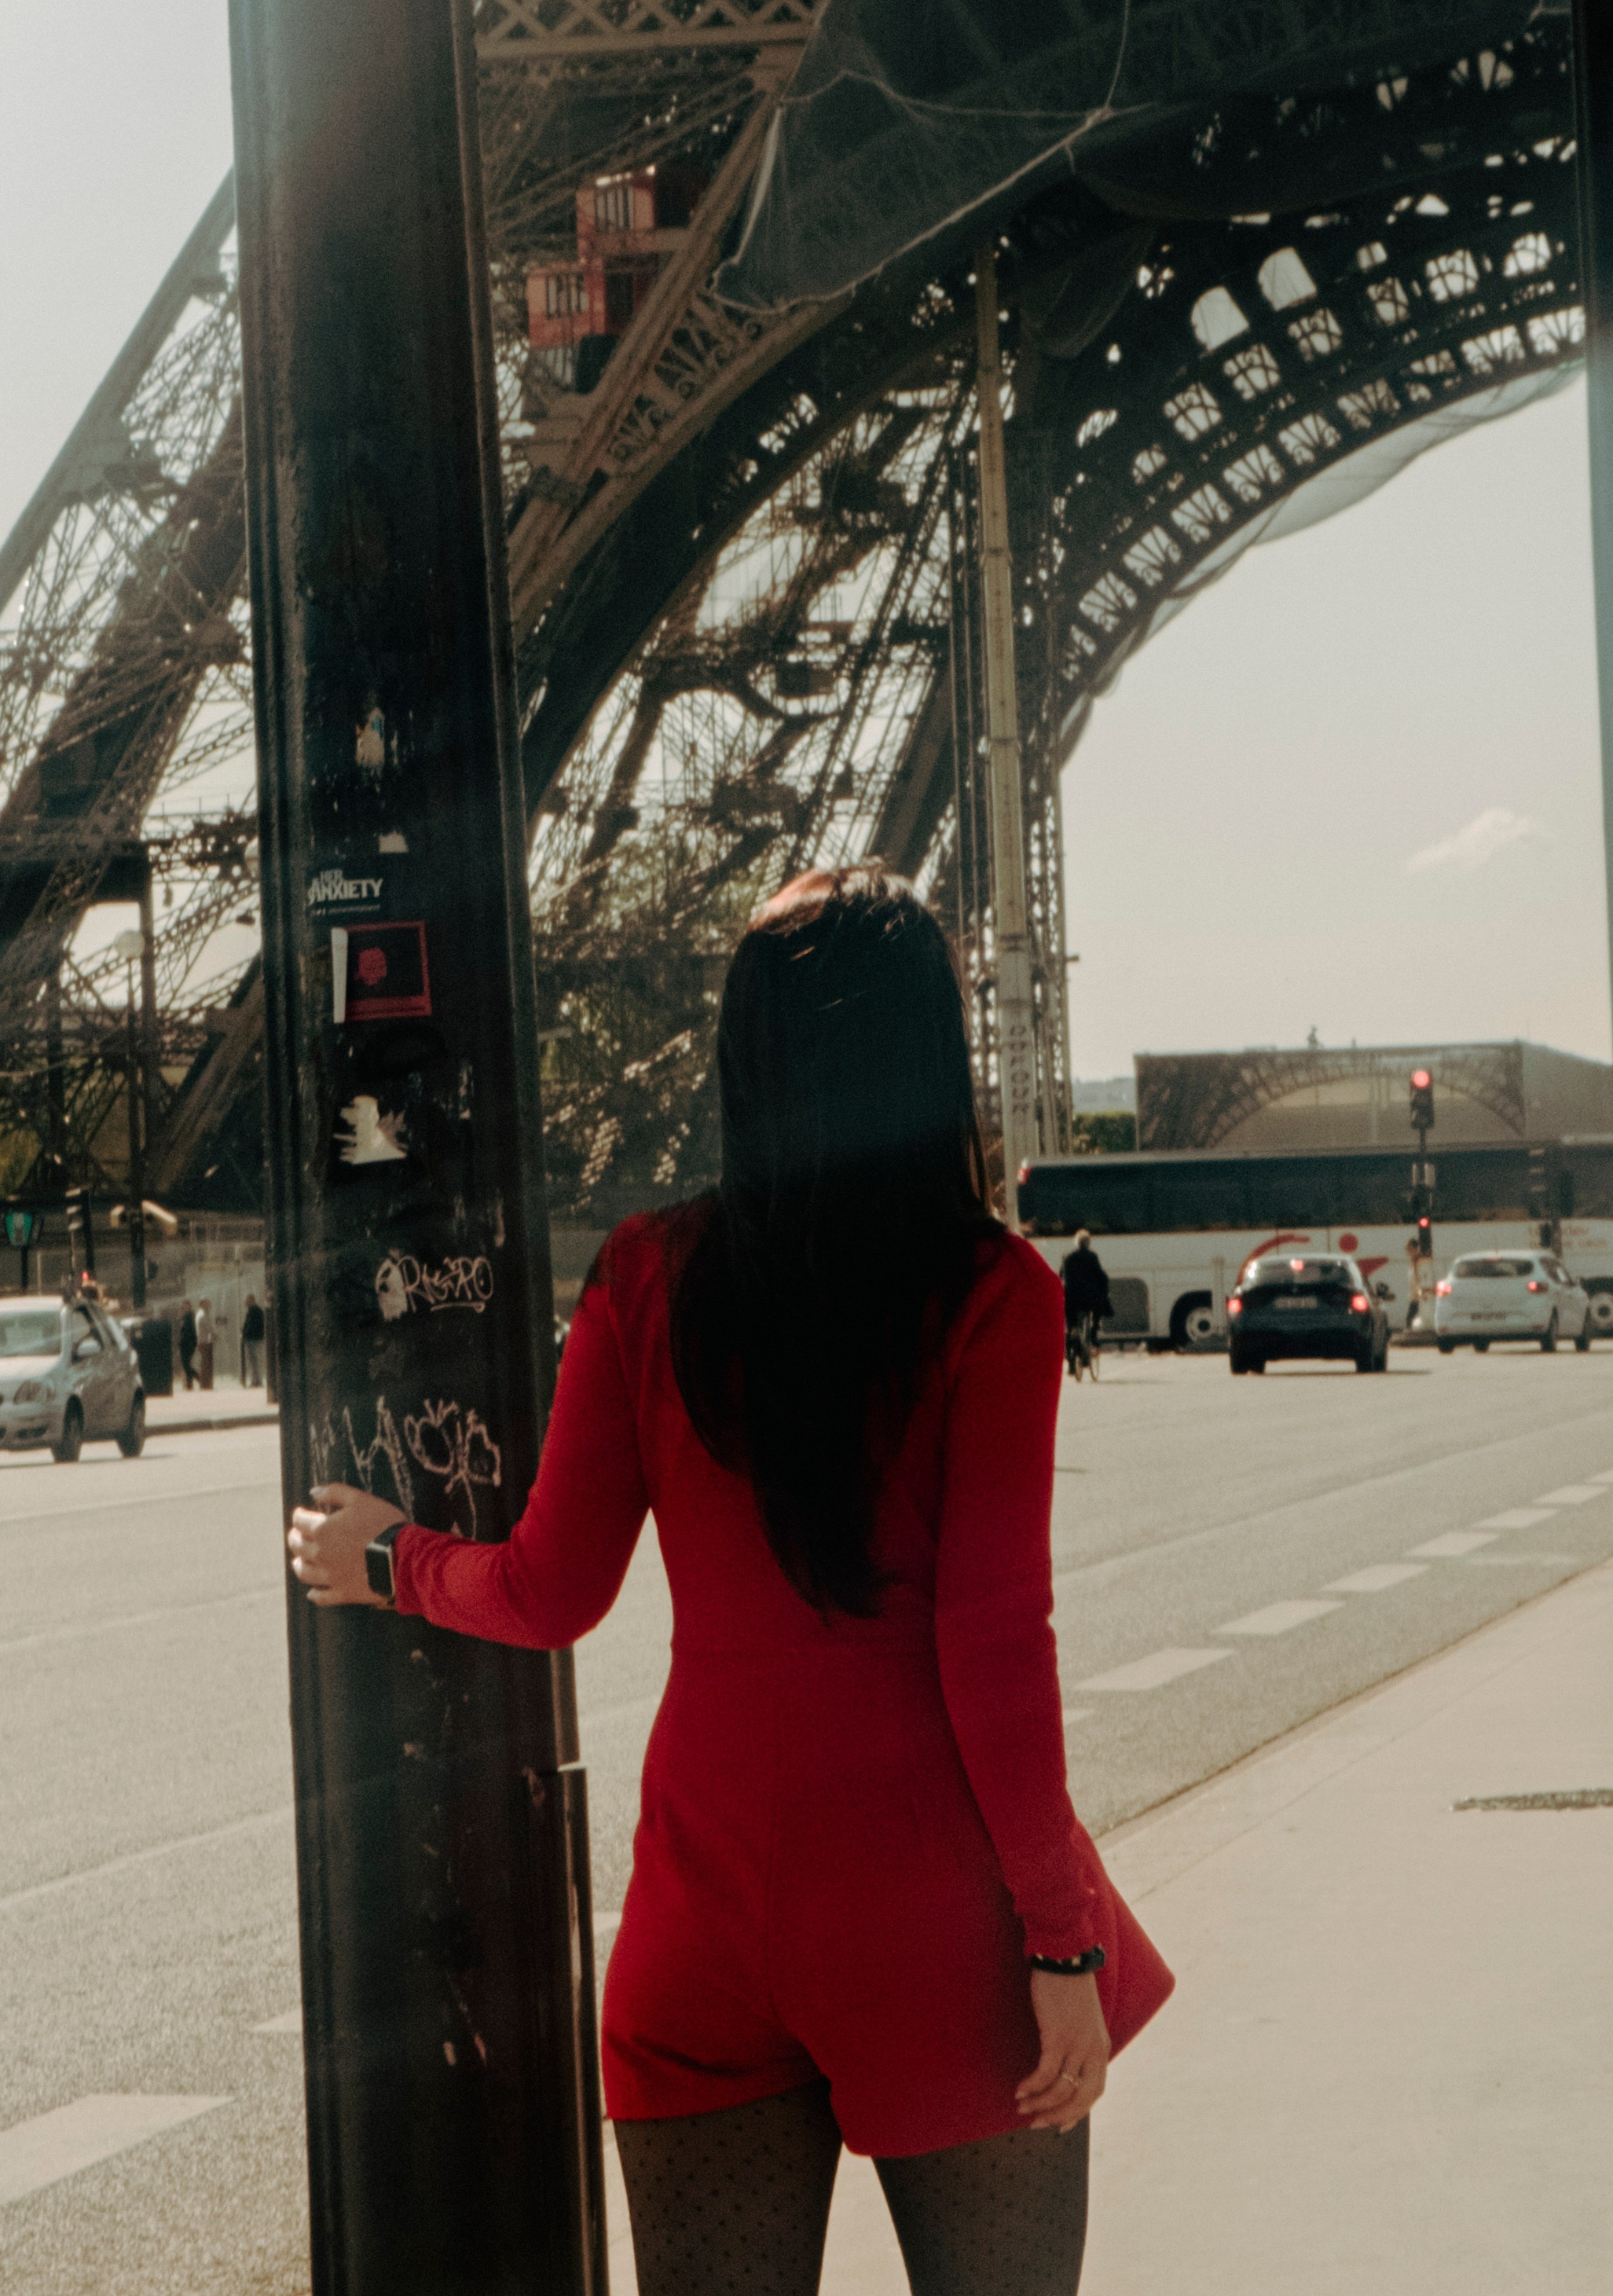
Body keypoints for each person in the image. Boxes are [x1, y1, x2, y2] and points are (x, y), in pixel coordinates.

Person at [288, 866, 1172, 2296]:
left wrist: (391, 1556)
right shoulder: (995, 1295)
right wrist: (1060, 1940)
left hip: (705, 1917)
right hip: (930, 1921)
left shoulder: (650, 1273)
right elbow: (993, 1647)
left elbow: (550, 1590)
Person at [1060, 1231, 1111, 1377]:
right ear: (1088, 1244)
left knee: (1070, 1329)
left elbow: (1060, 1276)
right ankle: (1094, 1333)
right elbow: (1102, 1277)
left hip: (1071, 1299)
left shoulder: (1067, 1257)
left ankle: (1071, 1364)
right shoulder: (1092, 1257)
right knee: (1098, 1308)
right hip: (1089, 1298)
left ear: (1076, 1243)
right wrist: (1105, 1290)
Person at [240, 1292, 266, 1391]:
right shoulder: (258, 1311)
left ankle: (256, 1381)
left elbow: (250, 1326)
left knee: (253, 1361)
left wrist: (244, 1335)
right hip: (257, 1339)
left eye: (247, 1301)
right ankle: (257, 1380)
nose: (245, 1303)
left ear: (251, 1300)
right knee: (255, 1361)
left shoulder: (253, 1311)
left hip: (252, 1339)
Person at [193, 1297, 215, 1391]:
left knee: (205, 1364)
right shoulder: (202, 1315)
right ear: (202, 1304)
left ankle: (206, 1384)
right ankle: (206, 1384)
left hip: (204, 1341)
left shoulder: (202, 1314)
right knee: (206, 1365)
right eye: (207, 1303)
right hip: (205, 1342)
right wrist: (215, 1334)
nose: (209, 1305)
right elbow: (209, 1328)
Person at [176, 1300, 198, 1392]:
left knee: (186, 1365)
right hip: (185, 1344)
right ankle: (190, 1384)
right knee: (186, 1365)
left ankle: (198, 1379)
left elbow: (188, 1332)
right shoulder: (185, 1317)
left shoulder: (189, 1317)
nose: (183, 1308)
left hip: (188, 1344)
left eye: (185, 1306)